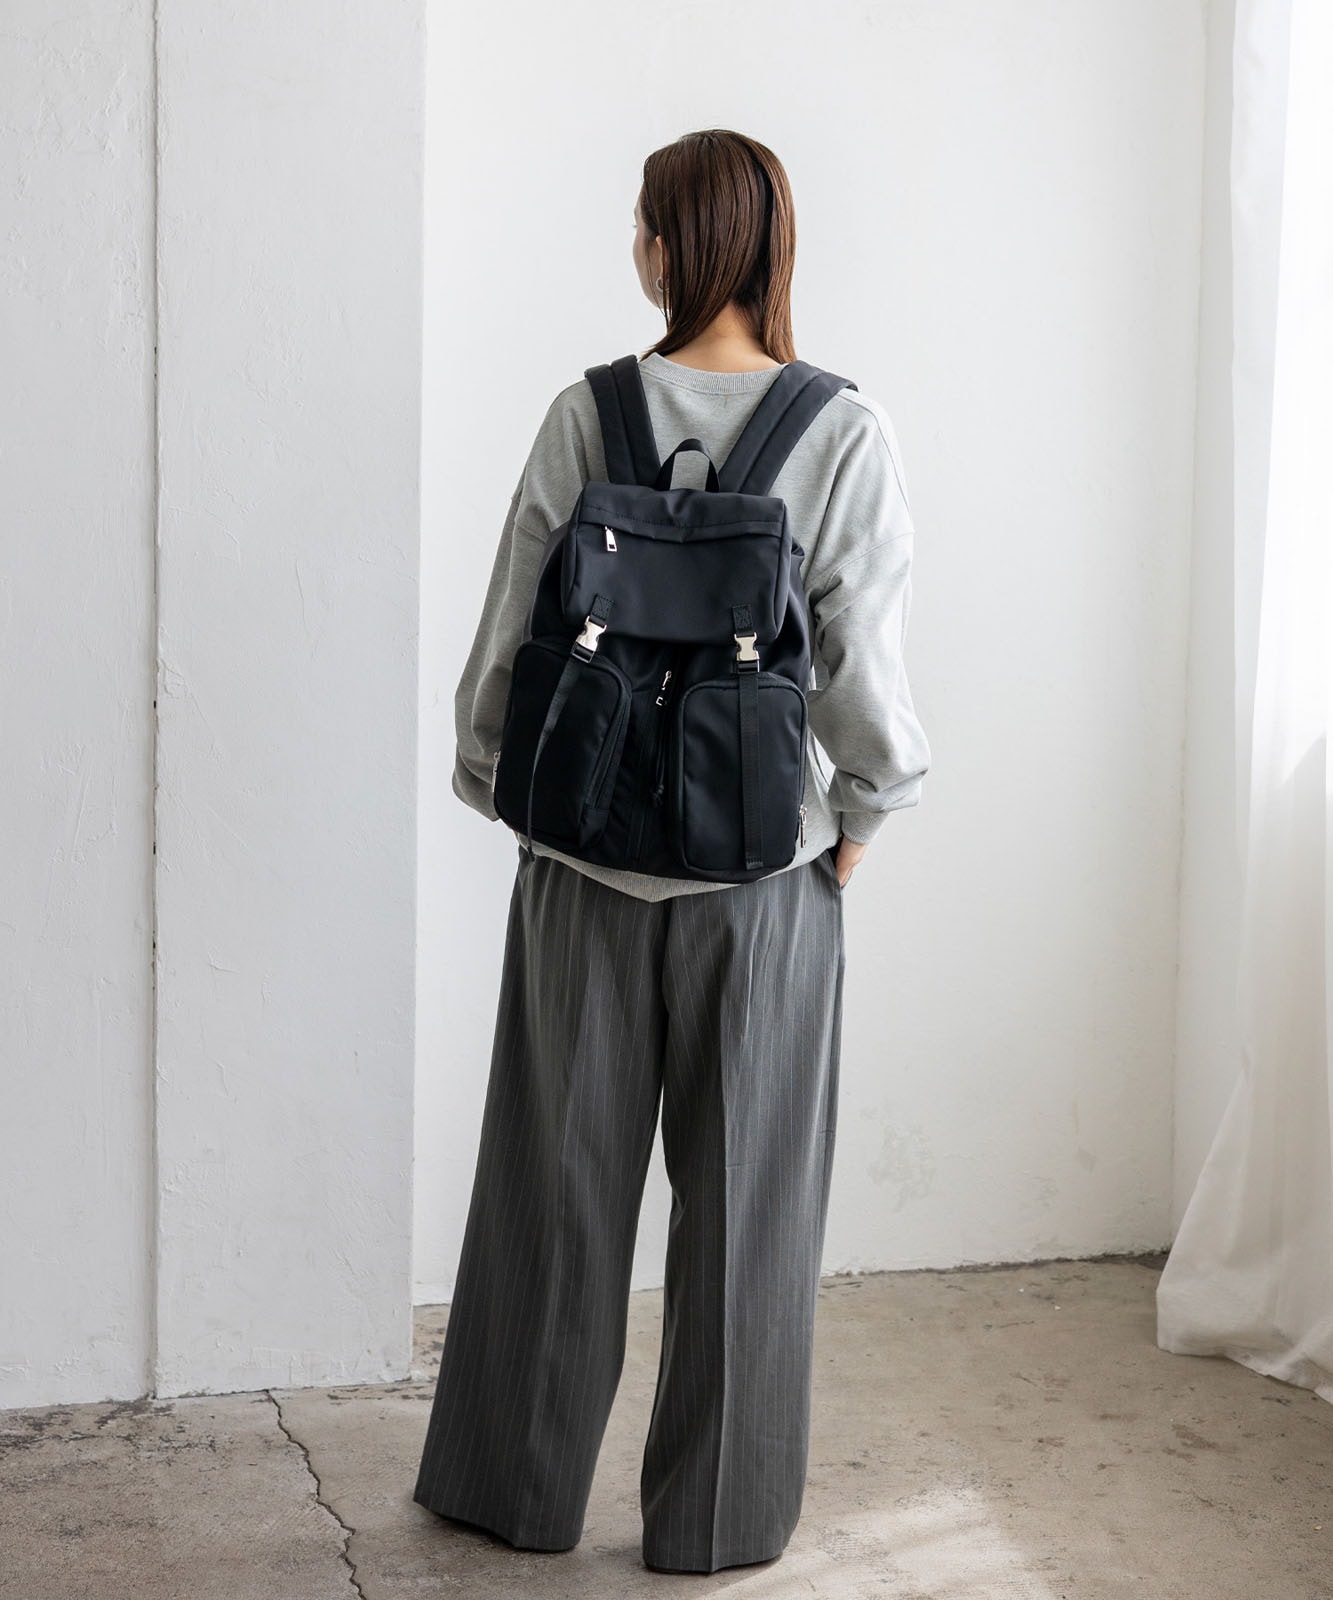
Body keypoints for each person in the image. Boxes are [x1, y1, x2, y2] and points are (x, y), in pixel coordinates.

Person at [413, 128, 931, 1575]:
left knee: (552, 1195)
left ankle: (514, 1495)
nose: (634, 247)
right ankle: (715, 1524)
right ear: (773, 251)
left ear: (664, 248)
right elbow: (865, 665)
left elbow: (506, 646)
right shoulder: (842, 429)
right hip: (763, 883)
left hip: (583, 874)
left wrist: (514, 802)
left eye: (639, 225)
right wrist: (861, 819)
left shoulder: (584, 415)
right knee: (748, 1212)